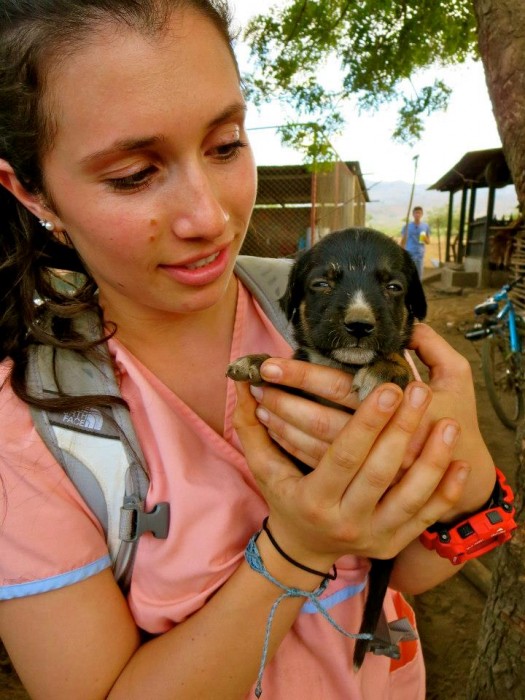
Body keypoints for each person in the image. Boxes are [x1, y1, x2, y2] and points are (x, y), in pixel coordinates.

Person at [0, 1, 498, 698]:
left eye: (226, 143)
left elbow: (397, 570)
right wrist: (296, 549)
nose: (209, 218)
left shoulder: (315, 322)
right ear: (29, 189)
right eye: (133, 175)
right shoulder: (27, 432)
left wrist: (468, 476)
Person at [401, 206, 431, 278]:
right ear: (413, 214)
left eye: (419, 213)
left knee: (419, 274)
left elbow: (428, 242)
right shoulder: (407, 226)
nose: (417, 214)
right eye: (416, 213)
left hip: (420, 254)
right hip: (409, 252)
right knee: (409, 274)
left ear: (422, 214)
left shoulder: (425, 226)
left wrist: (424, 238)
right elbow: (403, 241)